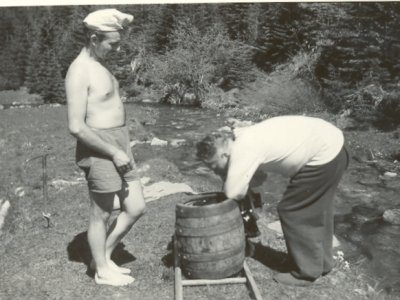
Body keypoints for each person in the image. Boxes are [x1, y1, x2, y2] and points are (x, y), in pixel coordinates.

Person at [196, 115, 349, 286]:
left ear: (224, 154)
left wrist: (229, 181)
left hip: (322, 155)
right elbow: (260, 178)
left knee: (293, 211)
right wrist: (233, 175)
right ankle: (323, 263)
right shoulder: (241, 136)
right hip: (333, 148)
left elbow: (232, 192)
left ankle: (306, 273)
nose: (216, 172)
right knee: (319, 210)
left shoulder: (242, 148)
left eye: (214, 167)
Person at [65, 8, 145, 287]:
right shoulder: (78, 71)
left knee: (135, 206)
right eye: (113, 42)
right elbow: (76, 126)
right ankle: (100, 270)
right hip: (100, 148)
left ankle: (103, 256)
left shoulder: (100, 63)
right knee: (100, 213)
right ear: (94, 38)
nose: (118, 48)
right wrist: (113, 151)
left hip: (119, 141)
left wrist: (123, 143)